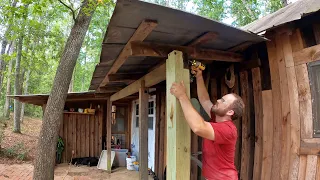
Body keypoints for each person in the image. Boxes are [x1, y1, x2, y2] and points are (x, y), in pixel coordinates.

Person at [170, 67, 245, 180]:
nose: (218, 100)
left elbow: (198, 127)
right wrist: (199, 76)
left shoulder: (229, 130)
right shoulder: (216, 118)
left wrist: (182, 96)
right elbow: (205, 100)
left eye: (223, 101)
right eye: (221, 98)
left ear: (230, 112)